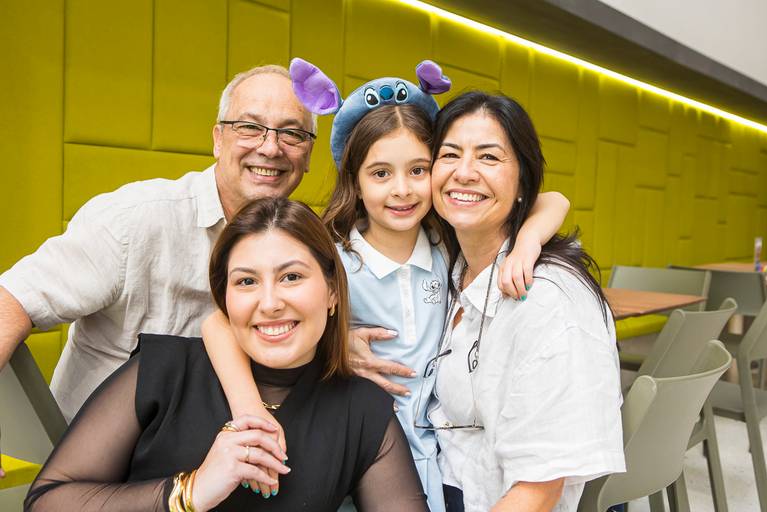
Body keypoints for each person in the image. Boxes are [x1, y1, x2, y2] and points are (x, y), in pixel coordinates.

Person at [201, 63, 570, 508]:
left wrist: (527, 242)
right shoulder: (332, 255)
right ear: (355, 181)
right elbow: (219, 324)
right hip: (351, 452)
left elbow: (552, 200)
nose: (402, 190)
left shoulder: (448, 245)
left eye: (418, 170)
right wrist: (256, 409)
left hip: (435, 458)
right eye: (380, 174)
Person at [24, 197, 429, 512]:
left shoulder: (362, 411)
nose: (269, 303)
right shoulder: (165, 371)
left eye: (291, 277)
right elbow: (46, 501)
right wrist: (190, 491)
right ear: (224, 299)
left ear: (333, 292)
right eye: (247, 281)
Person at [0, 64, 317, 425]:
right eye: (249, 127)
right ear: (218, 139)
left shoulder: (302, 246)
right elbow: (12, 300)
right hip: (95, 452)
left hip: (214, 450)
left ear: (308, 154)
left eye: (292, 134)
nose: (271, 148)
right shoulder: (135, 220)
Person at [424, 91, 625, 512]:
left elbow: (538, 492)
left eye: (489, 157)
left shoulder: (549, 301)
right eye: (450, 154)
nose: (464, 172)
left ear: (522, 184)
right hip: (439, 472)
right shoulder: (447, 261)